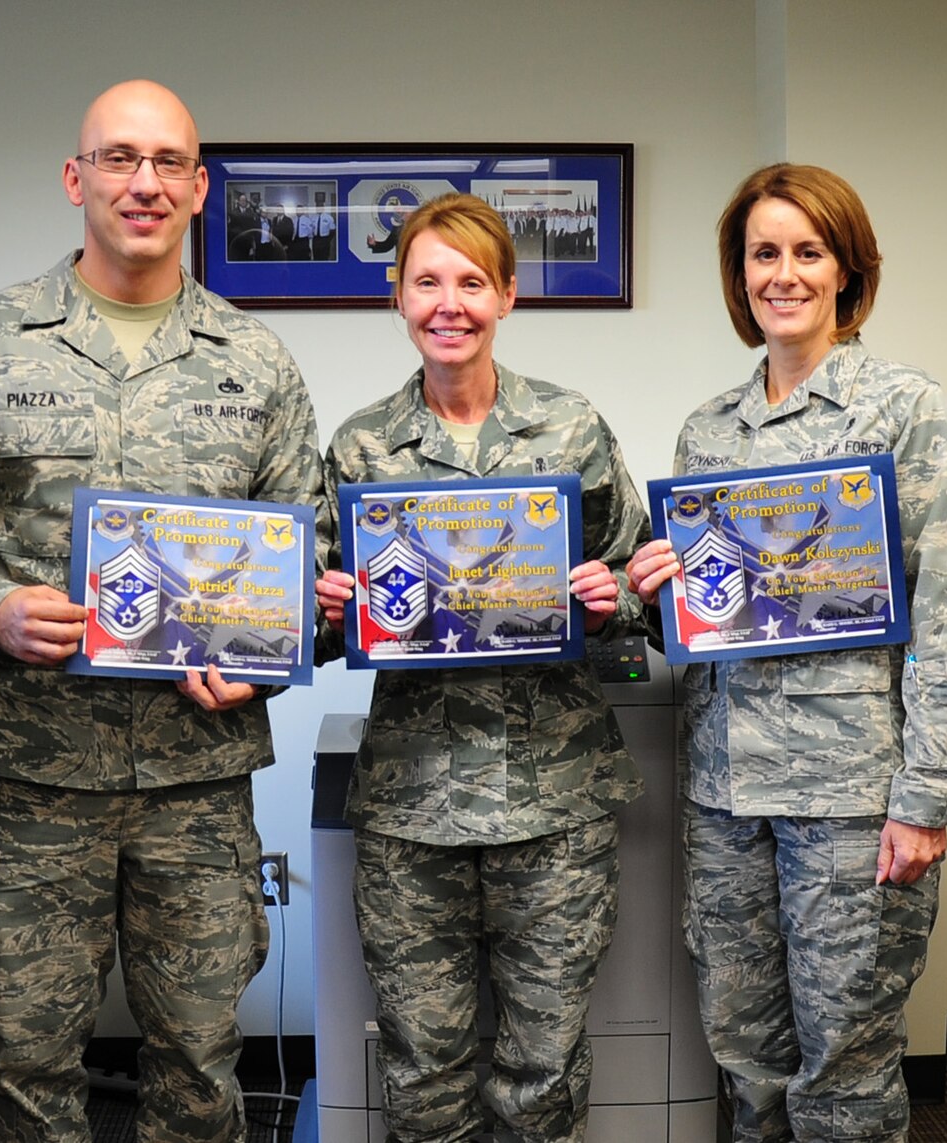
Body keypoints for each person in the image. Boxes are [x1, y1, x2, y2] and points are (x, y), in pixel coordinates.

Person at [0, 80, 322, 1143]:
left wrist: (263, 655)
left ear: (200, 187)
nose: (144, 182)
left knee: (200, 1068)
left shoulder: (253, 361)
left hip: (198, 779)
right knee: (28, 1073)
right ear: (76, 177)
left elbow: (308, 550)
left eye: (169, 161)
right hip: (35, 776)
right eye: (119, 158)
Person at [624, 163, 947, 1142]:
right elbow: (707, 622)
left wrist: (925, 795)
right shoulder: (707, 431)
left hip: (849, 796)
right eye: (761, 253)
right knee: (747, 1063)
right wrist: (656, 588)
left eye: (806, 251)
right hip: (724, 798)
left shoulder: (903, 413)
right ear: (736, 273)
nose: (781, 273)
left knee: (843, 1071)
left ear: (846, 270)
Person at [313, 192, 650, 1143]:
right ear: (399, 297)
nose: (448, 302)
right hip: (412, 806)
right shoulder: (360, 444)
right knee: (423, 1060)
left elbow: (643, 581)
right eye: (427, 281)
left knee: (543, 1065)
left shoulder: (570, 428)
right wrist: (326, 611)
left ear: (507, 294)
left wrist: (611, 595)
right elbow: (314, 618)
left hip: (555, 799)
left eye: (470, 281)